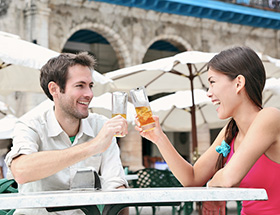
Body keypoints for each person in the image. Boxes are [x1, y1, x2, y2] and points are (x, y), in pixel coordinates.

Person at [135, 46, 280, 215]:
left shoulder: (270, 117)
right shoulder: (231, 130)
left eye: (212, 83)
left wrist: (212, 187)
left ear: (239, 83)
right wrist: (159, 138)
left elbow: (228, 178)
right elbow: (192, 178)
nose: (209, 93)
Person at [5, 52, 129, 214]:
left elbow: (116, 186)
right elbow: (21, 171)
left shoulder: (101, 126)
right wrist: (93, 146)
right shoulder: (31, 124)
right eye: (80, 85)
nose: (89, 94)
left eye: (90, 86)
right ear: (54, 89)